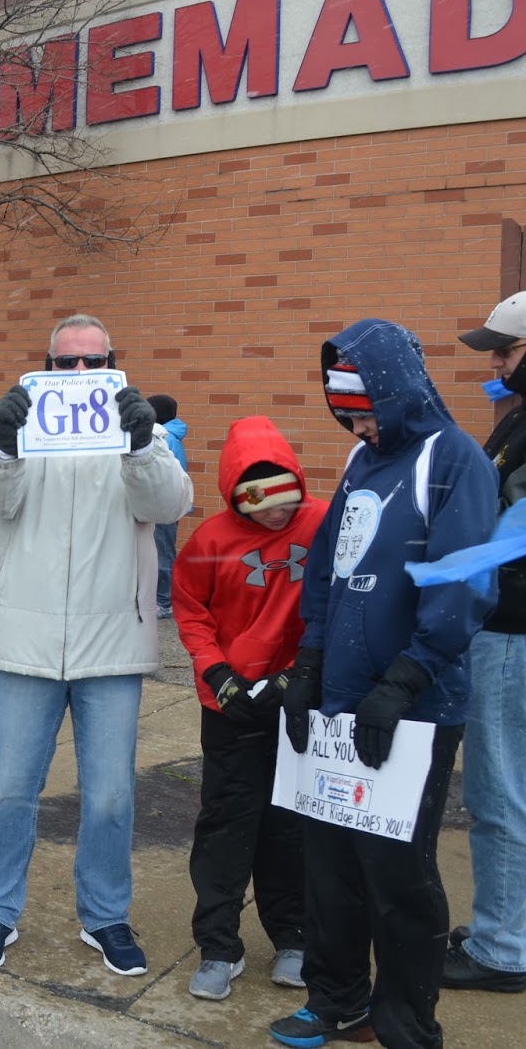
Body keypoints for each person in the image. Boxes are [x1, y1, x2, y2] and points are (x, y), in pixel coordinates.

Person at [267, 319, 498, 1049]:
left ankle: (405, 1022)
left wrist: (407, 676)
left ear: (395, 387)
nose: (359, 425)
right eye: (347, 414)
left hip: (413, 706)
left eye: (365, 410)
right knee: (330, 865)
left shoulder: (454, 458)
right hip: (340, 705)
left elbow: (465, 581)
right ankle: (335, 998)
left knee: (396, 872)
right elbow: (330, 568)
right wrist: (308, 662)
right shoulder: (358, 462)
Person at [0, 314, 193, 977]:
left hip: (112, 644)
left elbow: (172, 503)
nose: (81, 373)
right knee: (9, 790)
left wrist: (142, 443)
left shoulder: (135, 433)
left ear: (114, 362)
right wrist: (5, 442)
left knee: (112, 795)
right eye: (68, 362)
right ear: (49, 365)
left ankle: (106, 914)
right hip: (27, 644)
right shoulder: (24, 429)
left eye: (95, 360)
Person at [173, 416, 327, 1001]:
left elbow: (338, 602)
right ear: (236, 494)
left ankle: (294, 938)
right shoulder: (210, 540)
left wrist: (298, 677)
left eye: (285, 495)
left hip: (300, 697)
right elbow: (190, 608)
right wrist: (216, 672)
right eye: (260, 502)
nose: (275, 513)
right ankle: (218, 946)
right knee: (226, 824)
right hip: (231, 702)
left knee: (291, 826)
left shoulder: (322, 524)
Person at [442, 294, 526, 994]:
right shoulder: (517, 423)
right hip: (505, 630)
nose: (494, 362)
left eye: (507, 349)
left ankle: (502, 949)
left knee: (499, 794)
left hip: (510, 633)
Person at [150, 393, 190, 620]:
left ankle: (164, 602)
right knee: (162, 552)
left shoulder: (164, 438)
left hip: (164, 504)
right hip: (166, 503)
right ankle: (162, 599)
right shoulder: (169, 436)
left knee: (163, 554)